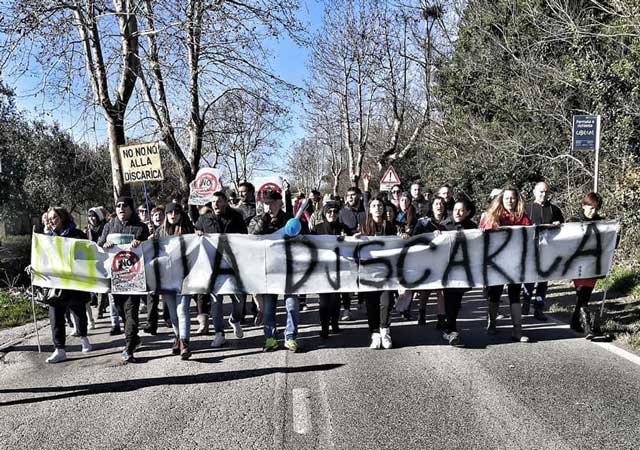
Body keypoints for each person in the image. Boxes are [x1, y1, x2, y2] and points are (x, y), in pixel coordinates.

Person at [98, 196, 150, 362]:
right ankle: (134, 338)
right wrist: (104, 244)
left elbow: (148, 246)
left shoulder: (140, 227)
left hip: (135, 279)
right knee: (121, 311)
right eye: (118, 205)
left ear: (131, 209)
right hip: (116, 280)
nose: (121, 208)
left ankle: (128, 347)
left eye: (125, 206)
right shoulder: (109, 226)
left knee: (131, 312)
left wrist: (140, 242)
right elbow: (98, 244)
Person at [249, 189, 301, 352]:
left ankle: (291, 337)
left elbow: (304, 236)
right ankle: (270, 338)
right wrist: (264, 221)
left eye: (272, 203)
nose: (269, 207)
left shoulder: (289, 220)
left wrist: (298, 234)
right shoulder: (257, 219)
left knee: (292, 305)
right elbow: (251, 237)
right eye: (266, 204)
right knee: (269, 307)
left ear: (280, 203)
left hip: (289, 270)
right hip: (268, 271)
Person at [195, 191, 248, 348]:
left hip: (234, 266)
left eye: (218, 201)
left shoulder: (236, 218)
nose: (215, 204)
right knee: (216, 301)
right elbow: (196, 234)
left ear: (225, 202)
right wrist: (197, 234)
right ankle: (219, 333)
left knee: (239, 300)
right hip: (214, 268)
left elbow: (245, 238)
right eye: (213, 202)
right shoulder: (204, 220)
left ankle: (235, 319)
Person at [479, 186, 531, 343]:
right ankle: (492, 323)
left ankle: (517, 330)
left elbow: (530, 235)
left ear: (517, 199)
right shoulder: (492, 216)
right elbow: (485, 238)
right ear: (501, 199)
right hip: (497, 263)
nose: (510, 200)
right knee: (495, 294)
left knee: (515, 296)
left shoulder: (523, 217)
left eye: (513, 198)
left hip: (515, 263)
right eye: (507, 197)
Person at [43, 207, 92, 363]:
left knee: (78, 311)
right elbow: (43, 258)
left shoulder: (77, 235)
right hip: (56, 284)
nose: (51, 221)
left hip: (75, 282)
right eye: (49, 218)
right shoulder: (48, 238)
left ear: (63, 218)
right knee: (55, 316)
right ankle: (59, 349)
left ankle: (83, 337)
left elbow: (87, 254)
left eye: (54, 217)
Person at [357, 196, 400, 349]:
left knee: (386, 302)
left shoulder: (391, 227)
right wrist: (354, 239)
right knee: (371, 304)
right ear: (369, 209)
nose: (377, 208)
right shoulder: (364, 226)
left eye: (380, 205)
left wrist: (403, 238)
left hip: (387, 272)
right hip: (369, 272)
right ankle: (374, 333)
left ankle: (385, 331)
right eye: (374, 205)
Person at [152, 202, 194, 359]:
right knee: (173, 313)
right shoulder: (159, 233)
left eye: (176, 212)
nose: (173, 215)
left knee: (182, 310)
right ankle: (177, 336)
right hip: (166, 278)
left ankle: (184, 342)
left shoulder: (189, 231)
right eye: (170, 213)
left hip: (185, 278)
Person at [522, 181, 565, 320]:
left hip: (548, 252)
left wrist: (558, 226)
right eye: (541, 191)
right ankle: (526, 303)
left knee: (543, 282)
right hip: (530, 251)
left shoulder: (555, 210)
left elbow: (564, 230)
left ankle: (539, 309)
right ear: (534, 192)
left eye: (546, 192)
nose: (543, 194)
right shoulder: (526, 208)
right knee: (529, 280)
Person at [440, 198, 477, 345]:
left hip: (464, 270)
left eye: (461, 210)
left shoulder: (473, 227)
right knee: (450, 297)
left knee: (457, 299)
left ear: (467, 212)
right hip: (447, 269)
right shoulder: (444, 226)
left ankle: (449, 327)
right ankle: (451, 329)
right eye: (455, 210)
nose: (458, 212)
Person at [312, 201, 352, 338]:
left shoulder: (343, 228)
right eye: (329, 212)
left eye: (335, 212)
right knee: (324, 301)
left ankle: (335, 324)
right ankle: (324, 327)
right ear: (324, 213)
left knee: (335, 301)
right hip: (322, 270)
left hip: (339, 270)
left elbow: (352, 243)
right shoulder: (317, 229)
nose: (332, 214)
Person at [569, 192, 604, 339]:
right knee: (582, 294)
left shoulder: (601, 222)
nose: (593, 211)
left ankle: (575, 323)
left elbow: (609, 245)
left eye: (596, 208)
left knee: (585, 296)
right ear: (583, 206)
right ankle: (587, 327)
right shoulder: (573, 220)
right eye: (590, 207)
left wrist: (616, 234)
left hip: (593, 264)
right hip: (577, 265)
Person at [412, 196, 448, 327]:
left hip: (443, 261)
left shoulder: (449, 222)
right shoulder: (423, 222)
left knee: (441, 291)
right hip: (427, 260)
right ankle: (421, 313)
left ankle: (441, 318)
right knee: (425, 290)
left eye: (441, 204)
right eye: (436, 204)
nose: (439, 206)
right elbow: (415, 237)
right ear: (432, 207)